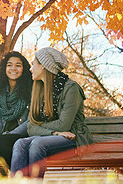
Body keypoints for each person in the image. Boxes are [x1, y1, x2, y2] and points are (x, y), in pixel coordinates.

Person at [10, 47, 94, 178]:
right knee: (20, 143)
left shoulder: (71, 89)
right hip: (50, 137)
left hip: (74, 140)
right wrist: (54, 133)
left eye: (33, 64)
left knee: (37, 145)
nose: (30, 68)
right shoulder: (38, 89)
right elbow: (31, 127)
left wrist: (44, 128)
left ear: (43, 66)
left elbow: (64, 125)